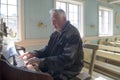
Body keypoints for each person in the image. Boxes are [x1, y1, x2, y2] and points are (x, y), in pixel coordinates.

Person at [20, 9, 84, 80]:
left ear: (64, 19)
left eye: (55, 20)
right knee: (32, 72)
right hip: (57, 65)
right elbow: (47, 50)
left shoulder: (73, 33)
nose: (53, 24)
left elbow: (67, 59)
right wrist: (34, 53)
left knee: (41, 76)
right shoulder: (55, 33)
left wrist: (41, 62)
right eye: (52, 21)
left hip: (70, 69)